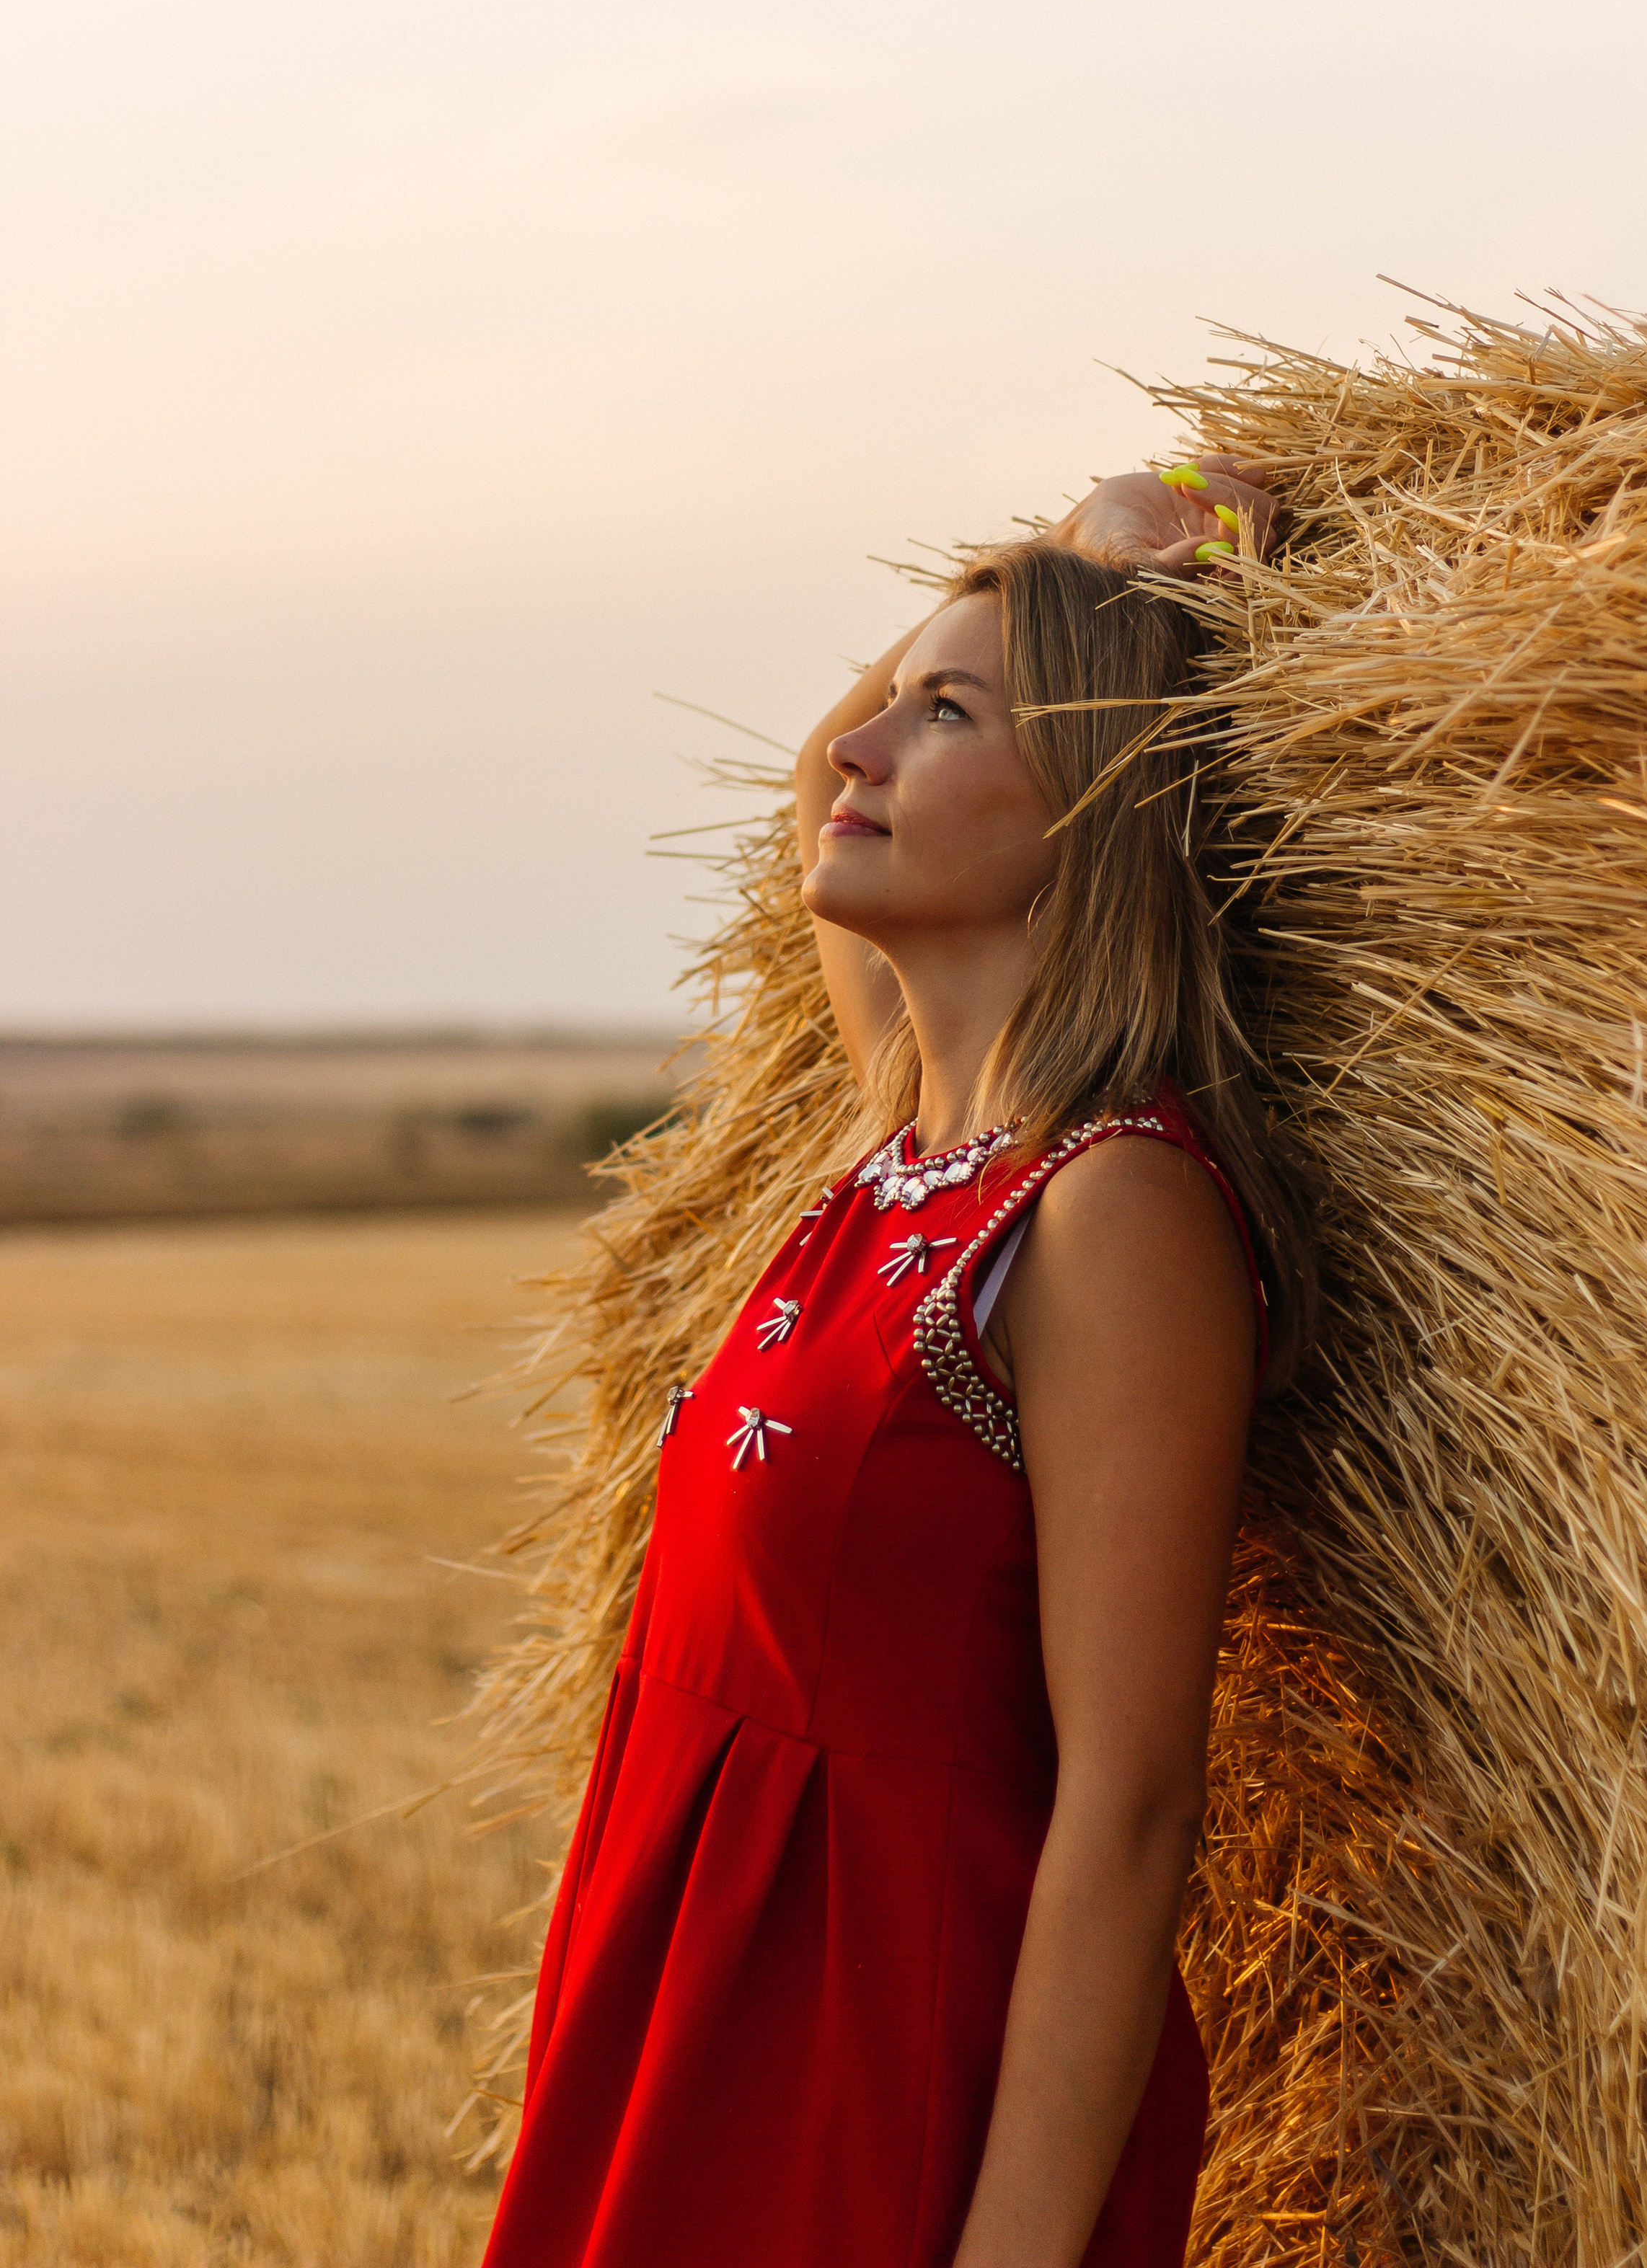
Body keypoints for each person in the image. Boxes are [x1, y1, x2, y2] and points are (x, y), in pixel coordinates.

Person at [480, 456, 1315, 2268]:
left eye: (943, 716)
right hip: (689, 1999)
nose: (861, 748)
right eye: (896, 699)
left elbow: (1130, 1800)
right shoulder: (899, 1145)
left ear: (1091, 804)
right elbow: (815, 775)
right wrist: (1077, 547)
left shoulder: (1110, 1217)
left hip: (881, 2069)